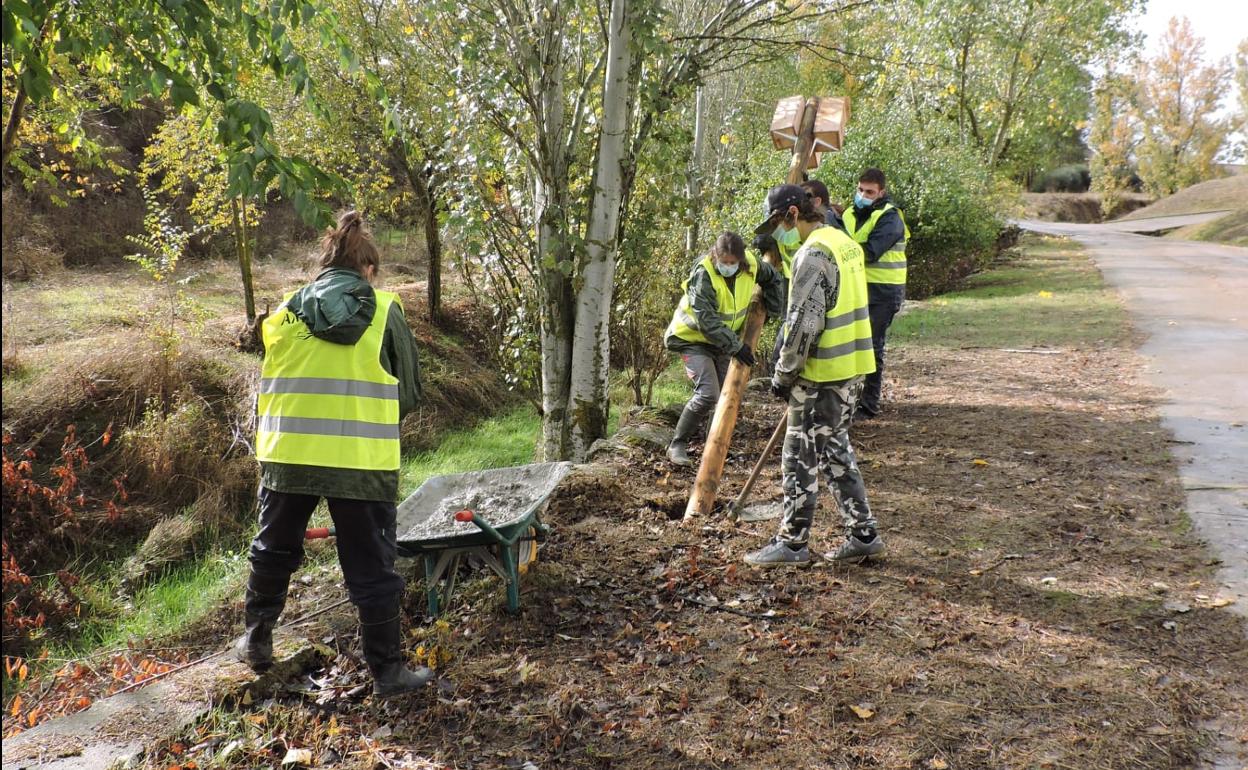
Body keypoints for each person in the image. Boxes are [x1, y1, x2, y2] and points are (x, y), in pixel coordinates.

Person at [237, 210, 433, 697]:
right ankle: (388, 674)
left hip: (288, 454)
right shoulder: (385, 310)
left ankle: (256, 641)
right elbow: (408, 393)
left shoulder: (281, 314)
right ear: (367, 270)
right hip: (360, 461)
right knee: (370, 563)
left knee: (274, 548)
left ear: (323, 269)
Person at [743, 185, 882, 566]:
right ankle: (863, 533)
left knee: (799, 456)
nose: (778, 232)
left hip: (821, 374)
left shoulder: (815, 254)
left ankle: (792, 542)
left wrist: (783, 375)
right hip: (853, 368)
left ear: (792, 213)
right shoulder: (843, 242)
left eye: (777, 223)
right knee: (835, 449)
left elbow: (804, 325)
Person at [664, 231, 784, 466]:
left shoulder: (751, 264)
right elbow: (707, 321)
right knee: (708, 393)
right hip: (692, 339)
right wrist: (736, 346)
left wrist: (771, 309)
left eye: (732, 263)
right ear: (715, 255)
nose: (727, 266)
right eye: (724, 262)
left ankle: (714, 448)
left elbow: (774, 279)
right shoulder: (703, 274)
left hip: (721, 341)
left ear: (740, 260)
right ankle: (677, 444)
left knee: (724, 398)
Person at [839, 168, 909, 419]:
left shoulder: (891, 217)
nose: (863, 195)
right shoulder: (848, 213)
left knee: (872, 345)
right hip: (857, 287)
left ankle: (868, 405)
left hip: (884, 290)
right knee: (854, 344)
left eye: (869, 192)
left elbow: (870, 251)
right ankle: (852, 399)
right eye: (860, 190)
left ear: (881, 192)